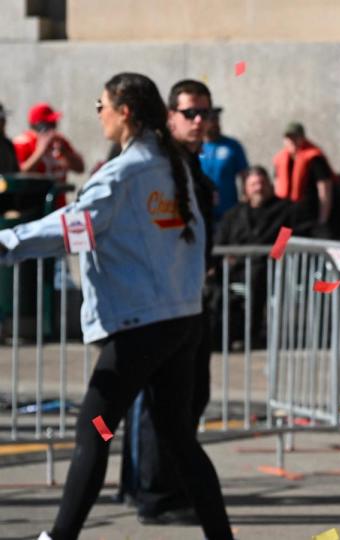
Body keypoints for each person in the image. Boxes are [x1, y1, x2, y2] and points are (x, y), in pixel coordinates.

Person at [0, 72, 233, 540]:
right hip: (179, 321)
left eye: (101, 104)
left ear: (124, 111)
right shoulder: (175, 166)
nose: (98, 113)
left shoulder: (125, 172)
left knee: (96, 430)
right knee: (177, 438)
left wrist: (7, 242)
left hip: (142, 329)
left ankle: (59, 536)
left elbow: (71, 226)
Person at [115, 79, 219, 524]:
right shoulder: (151, 165)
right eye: (190, 113)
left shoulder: (190, 166)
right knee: (155, 408)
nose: (200, 122)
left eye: (206, 113)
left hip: (188, 303)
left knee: (188, 401)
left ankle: (159, 486)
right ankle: (154, 495)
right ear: (169, 116)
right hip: (156, 308)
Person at [208, 165, 292, 347]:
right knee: (212, 284)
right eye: (253, 184)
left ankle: (251, 335)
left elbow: (286, 236)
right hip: (235, 269)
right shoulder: (234, 214)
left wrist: (272, 256)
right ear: (246, 188)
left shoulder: (286, 210)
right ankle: (217, 335)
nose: (258, 188)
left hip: (268, 268)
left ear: (270, 185)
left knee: (256, 275)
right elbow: (220, 242)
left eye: (262, 183)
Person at [13, 102, 85, 207]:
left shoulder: (60, 140)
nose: (53, 128)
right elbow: (19, 174)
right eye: (50, 124)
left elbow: (80, 168)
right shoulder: (22, 143)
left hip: (58, 204)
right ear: (39, 126)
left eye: (54, 124)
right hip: (33, 207)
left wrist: (65, 152)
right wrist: (40, 150)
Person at [272, 122, 338, 237]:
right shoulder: (281, 159)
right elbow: (277, 185)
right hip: (287, 216)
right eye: (288, 138)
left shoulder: (314, 158)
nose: (292, 141)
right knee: (278, 250)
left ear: (302, 138)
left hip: (310, 216)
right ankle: (275, 255)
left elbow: (325, 190)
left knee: (314, 248)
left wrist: (323, 220)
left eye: (295, 137)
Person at [200, 107, 249, 224]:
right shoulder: (196, 147)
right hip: (202, 210)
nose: (214, 123)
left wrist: (245, 199)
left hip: (228, 210)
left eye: (216, 120)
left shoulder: (232, 146)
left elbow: (245, 175)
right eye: (211, 120)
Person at [0, 103, 19, 173]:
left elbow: (16, 171)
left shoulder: (7, 144)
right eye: (1, 119)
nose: (4, 122)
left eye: (3, 119)